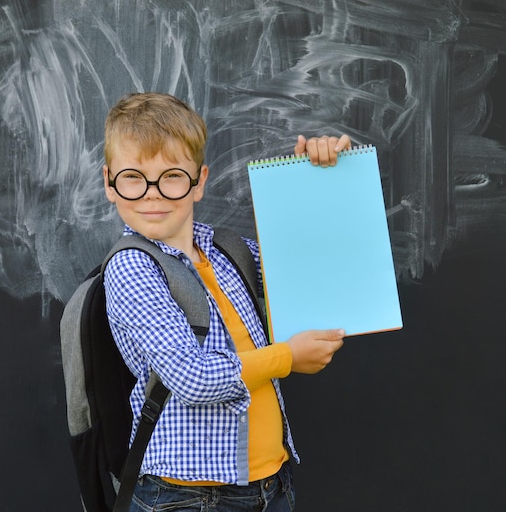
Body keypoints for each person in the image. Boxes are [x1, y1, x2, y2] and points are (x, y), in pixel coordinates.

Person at [102, 92, 351, 512]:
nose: (152, 194)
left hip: (271, 485)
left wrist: (314, 181)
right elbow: (193, 380)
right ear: (109, 183)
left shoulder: (228, 250)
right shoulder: (132, 268)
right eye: (133, 177)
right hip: (187, 498)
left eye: (172, 176)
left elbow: (310, 277)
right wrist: (288, 357)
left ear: (199, 182)